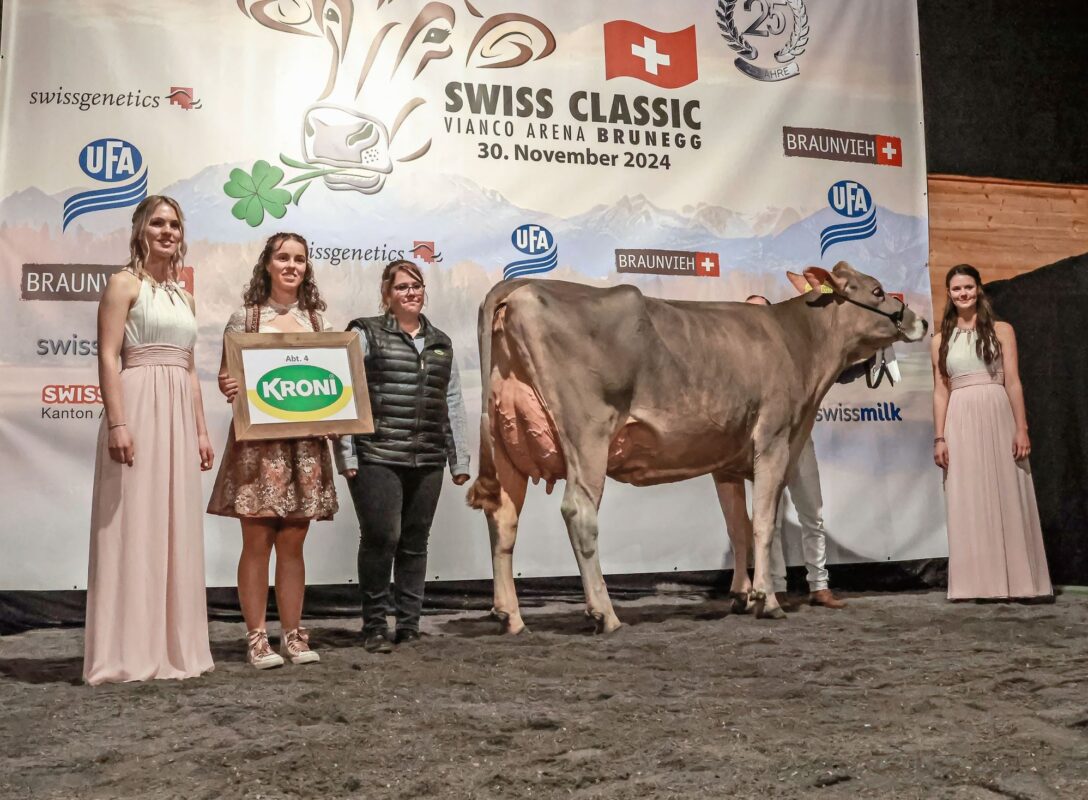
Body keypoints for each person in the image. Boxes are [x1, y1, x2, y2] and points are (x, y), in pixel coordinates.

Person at [84, 195, 216, 686]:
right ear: (140, 229)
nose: (167, 231)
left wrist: (202, 430)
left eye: (175, 224)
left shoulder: (185, 296)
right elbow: (107, 356)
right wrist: (118, 423)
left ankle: (174, 648)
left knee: (175, 525)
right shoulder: (123, 284)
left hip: (179, 415)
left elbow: (187, 367)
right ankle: (127, 651)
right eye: (158, 222)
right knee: (134, 525)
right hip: (138, 407)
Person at [207, 232, 339, 668]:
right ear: (267, 264)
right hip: (258, 447)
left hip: (304, 446)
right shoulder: (244, 319)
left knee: (294, 545)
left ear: (307, 268)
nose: (291, 265)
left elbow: (333, 386)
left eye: (299, 259)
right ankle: (257, 637)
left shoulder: (318, 324)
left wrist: (338, 417)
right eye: (283, 257)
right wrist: (229, 384)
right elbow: (229, 378)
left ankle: (294, 637)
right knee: (257, 542)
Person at [336, 259, 470, 653]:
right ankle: (375, 626)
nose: (410, 292)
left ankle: (409, 626)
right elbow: (346, 392)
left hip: (427, 458)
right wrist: (347, 453)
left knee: (415, 541)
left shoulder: (441, 342)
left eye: (416, 285)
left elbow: (454, 401)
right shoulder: (365, 333)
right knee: (382, 538)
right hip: (377, 454)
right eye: (401, 287)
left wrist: (459, 460)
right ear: (387, 294)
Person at [931, 264, 1052, 601]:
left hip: (997, 411)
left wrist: (1021, 427)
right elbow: (941, 391)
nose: (963, 294)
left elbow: (1013, 381)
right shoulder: (940, 339)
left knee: (1007, 491)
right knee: (966, 495)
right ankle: (974, 584)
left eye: (968, 287)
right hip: (960, 417)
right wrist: (939, 437)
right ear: (950, 294)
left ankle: (1018, 583)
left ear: (978, 289)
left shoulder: (1002, 330)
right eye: (956, 289)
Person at [724, 294, 846, 609]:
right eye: (748, 311)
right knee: (770, 518)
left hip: (798, 441)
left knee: (812, 512)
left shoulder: (793, 353)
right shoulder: (732, 359)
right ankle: (773, 586)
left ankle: (819, 585)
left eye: (762, 312)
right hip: (761, 447)